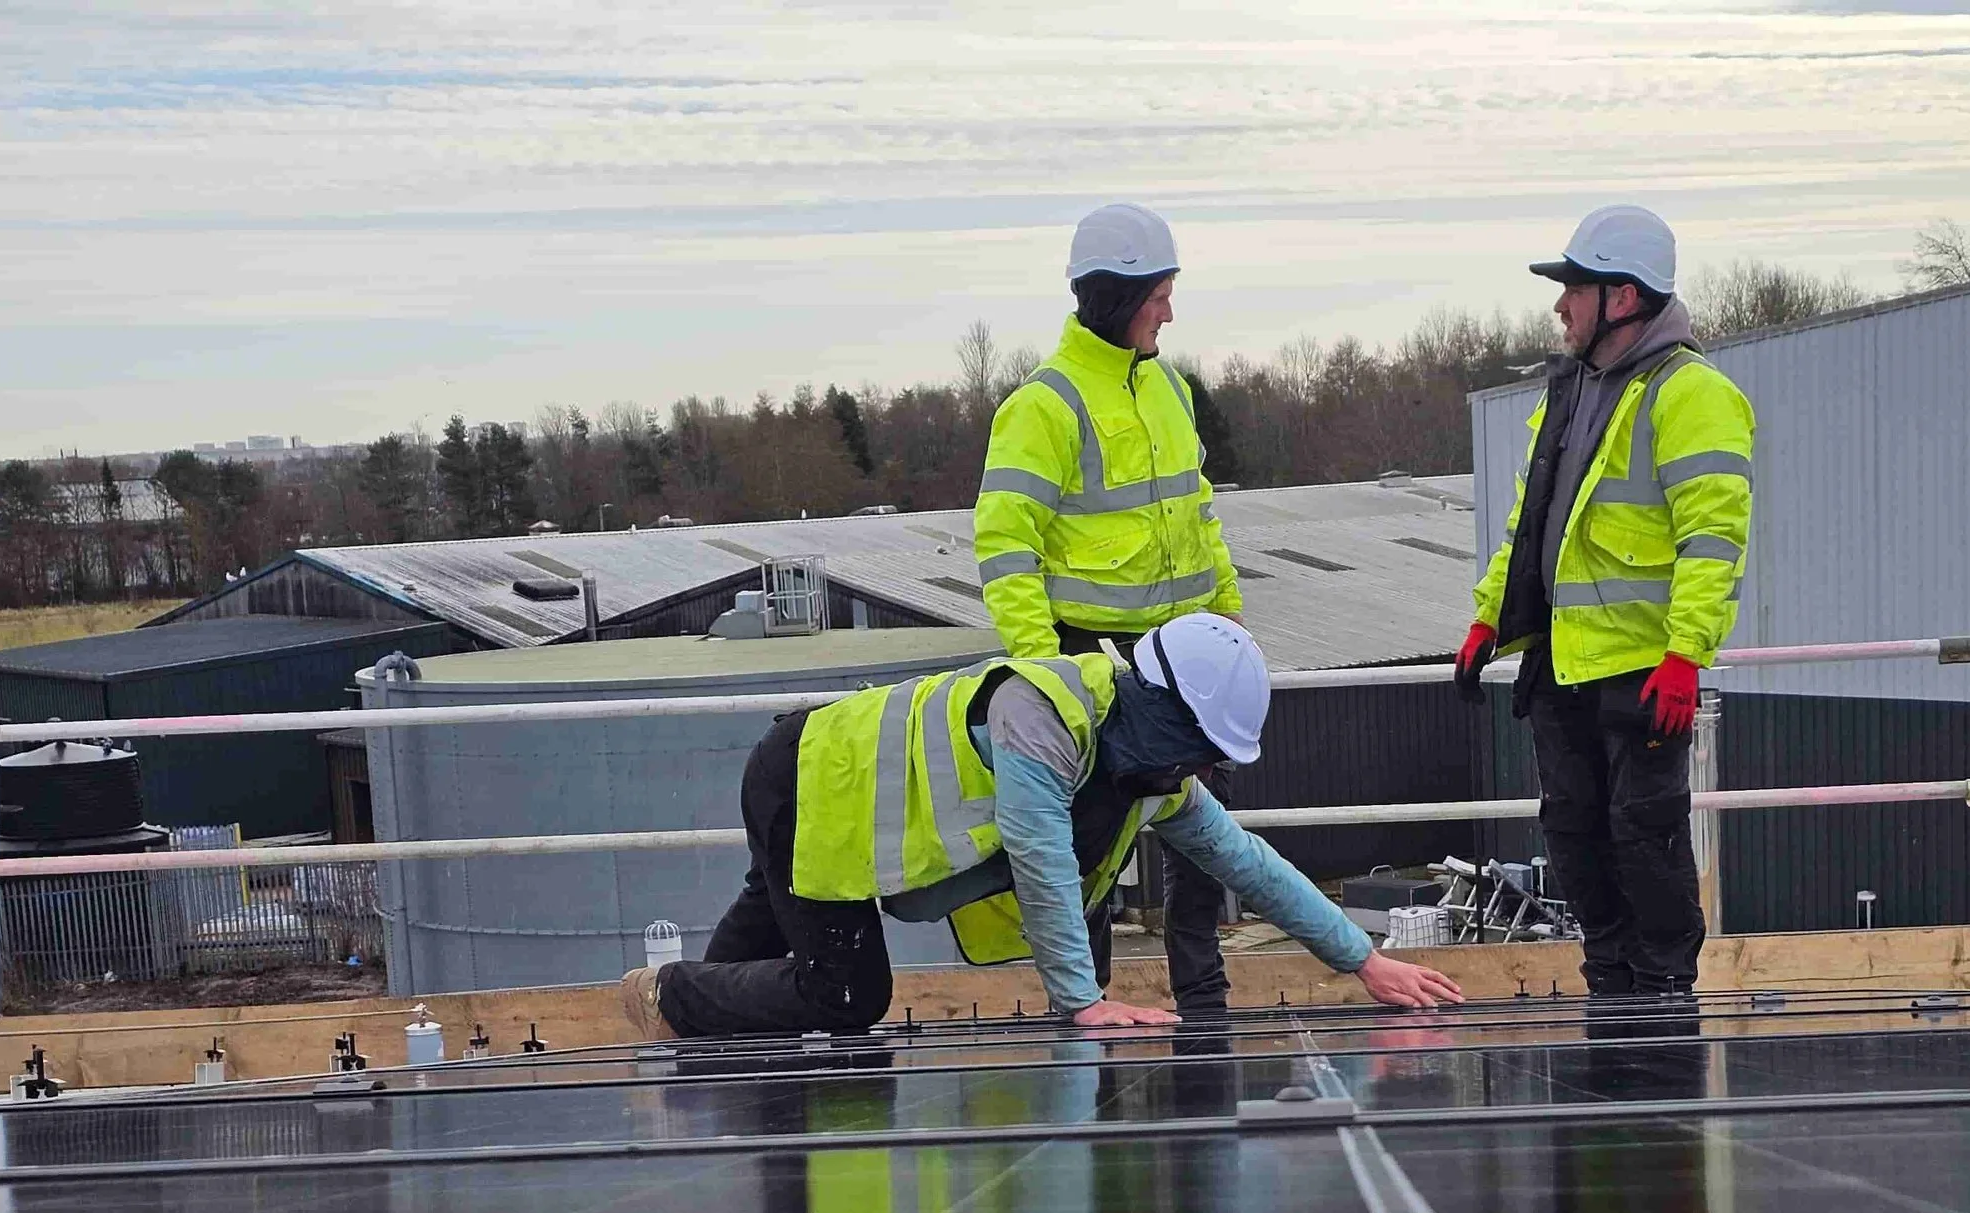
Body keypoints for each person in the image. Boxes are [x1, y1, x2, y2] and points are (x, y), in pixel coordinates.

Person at [623, 613, 1461, 1039]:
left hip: (835, 804)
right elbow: (1038, 849)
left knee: (751, 964)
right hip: (810, 784)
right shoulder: (1044, 716)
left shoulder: (1147, 771)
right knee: (845, 993)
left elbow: (1248, 861)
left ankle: (677, 1007)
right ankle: (666, 991)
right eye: (1202, 750)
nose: (1204, 772)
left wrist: (1364, 957)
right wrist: (1082, 1001)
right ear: (1165, 714)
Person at [1455, 205, 1755, 997]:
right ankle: (1613, 989)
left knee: (1643, 839)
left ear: (1620, 298)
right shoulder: (1573, 391)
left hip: (1644, 671)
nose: (1560, 305)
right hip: (1565, 663)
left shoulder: (1692, 394)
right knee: (1574, 835)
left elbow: (1714, 538)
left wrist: (1687, 654)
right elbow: (1532, 524)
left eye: (1573, 289)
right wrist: (1492, 612)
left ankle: (1662, 997)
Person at [972, 203, 1245, 1016]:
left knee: (1203, 836)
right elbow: (1005, 543)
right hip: (1088, 652)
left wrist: (1228, 618)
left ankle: (1201, 992)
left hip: (1186, 653)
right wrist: (1044, 663)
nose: (1170, 308)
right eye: (1160, 293)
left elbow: (1199, 512)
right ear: (1119, 298)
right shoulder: (1043, 406)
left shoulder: (1168, 386)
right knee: (1090, 845)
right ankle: (1086, 1004)